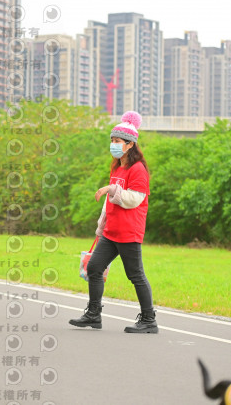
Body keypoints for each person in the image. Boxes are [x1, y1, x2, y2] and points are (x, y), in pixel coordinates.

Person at [69, 111, 158, 334]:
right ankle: (93, 315)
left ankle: (149, 320)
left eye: (117, 141)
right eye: (112, 140)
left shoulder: (138, 170)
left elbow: (134, 199)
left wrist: (111, 188)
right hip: (111, 231)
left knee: (135, 275)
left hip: (128, 231)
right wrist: (101, 225)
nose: (113, 145)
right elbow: (109, 201)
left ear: (130, 144)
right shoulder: (117, 168)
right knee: (94, 268)